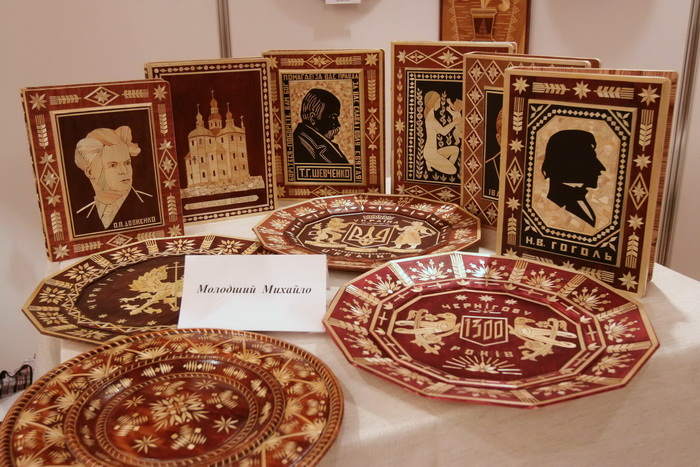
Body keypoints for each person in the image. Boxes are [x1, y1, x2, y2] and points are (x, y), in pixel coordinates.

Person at [74, 126, 157, 232]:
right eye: (113, 165)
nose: (124, 171)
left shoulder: (152, 204)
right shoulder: (81, 217)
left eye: (127, 163)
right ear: (90, 172)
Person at [541, 129, 605, 228]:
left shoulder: (579, 198)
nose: (601, 168)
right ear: (569, 162)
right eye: (590, 158)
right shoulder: (553, 207)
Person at [293, 88, 349, 164]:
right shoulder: (301, 145)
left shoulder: (316, 144)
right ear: (312, 118)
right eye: (333, 117)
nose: (337, 124)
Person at [421, 91, 463, 175]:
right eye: (438, 102)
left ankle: (446, 167)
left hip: (434, 152)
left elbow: (439, 130)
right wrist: (454, 122)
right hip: (430, 154)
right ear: (433, 103)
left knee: (455, 150)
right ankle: (431, 163)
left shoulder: (431, 117)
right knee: (454, 171)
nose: (440, 105)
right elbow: (443, 132)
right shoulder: (430, 118)